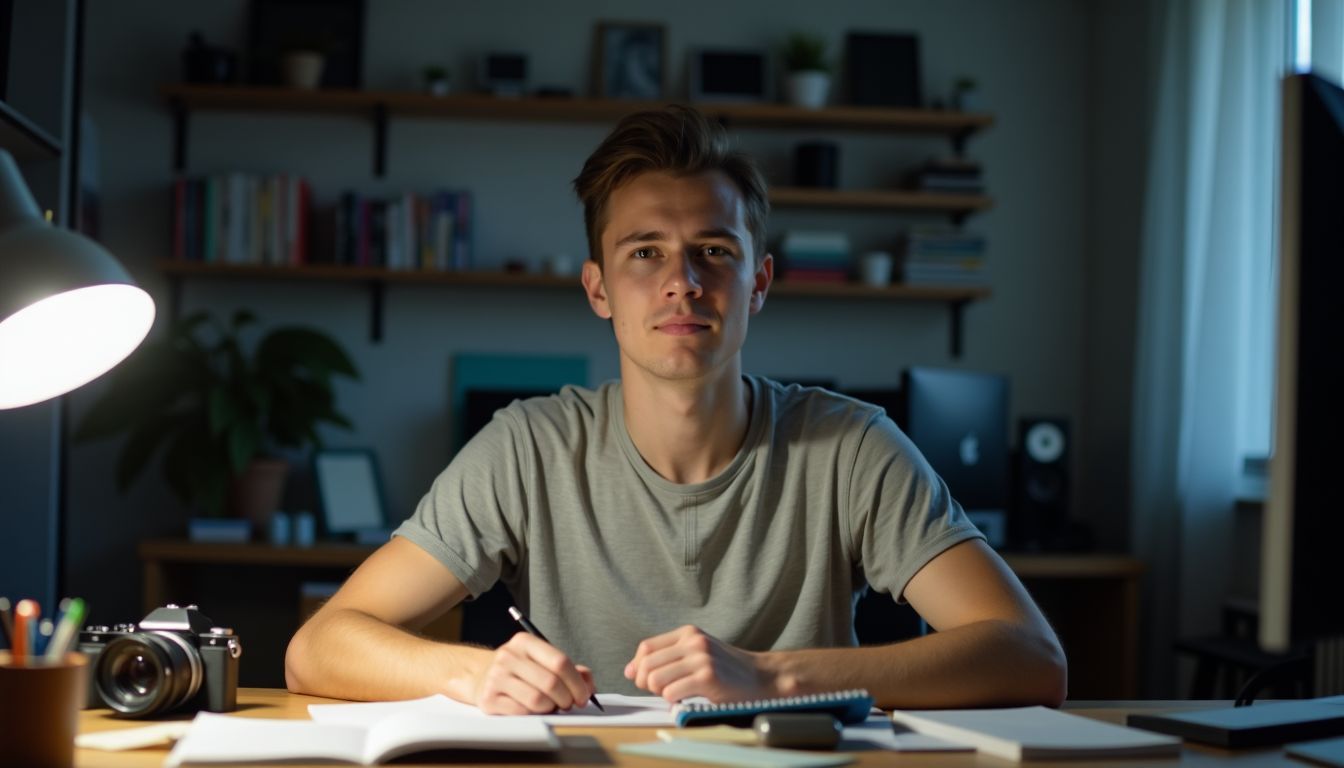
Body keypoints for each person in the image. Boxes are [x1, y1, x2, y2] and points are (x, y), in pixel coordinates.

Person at [286, 105, 1067, 715]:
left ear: (758, 284)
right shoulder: (527, 448)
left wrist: (766, 673)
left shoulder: (851, 445)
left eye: (715, 252)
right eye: (646, 251)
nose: (683, 281)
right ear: (599, 289)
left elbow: (1032, 658)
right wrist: (476, 671)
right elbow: (319, 647)